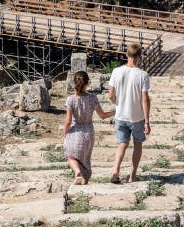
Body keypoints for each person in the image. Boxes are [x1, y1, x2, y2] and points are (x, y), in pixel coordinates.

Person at [109, 43, 151, 184]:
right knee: (137, 144)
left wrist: (118, 103)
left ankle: (116, 169)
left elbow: (110, 95)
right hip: (137, 116)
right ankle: (132, 176)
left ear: (126, 54)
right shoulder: (143, 75)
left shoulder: (116, 71)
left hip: (121, 115)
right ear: (139, 57)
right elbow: (145, 98)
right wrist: (147, 121)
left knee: (122, 144)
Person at [63, 70, 114, 185]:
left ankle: (77, 172)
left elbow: (68, 121)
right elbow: (102, 115)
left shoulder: (70, 99)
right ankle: (83, 181)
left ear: (74, 82)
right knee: (85, 161)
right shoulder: (93, 98)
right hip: (89, 133)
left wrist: (65, 134)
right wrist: (114, 112)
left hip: (76, 132)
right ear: (87, 83)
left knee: (71, 157)